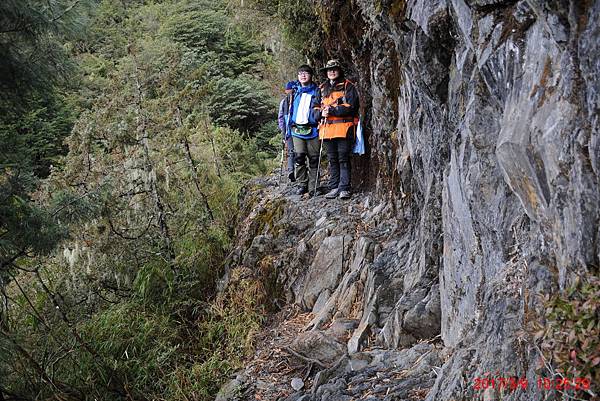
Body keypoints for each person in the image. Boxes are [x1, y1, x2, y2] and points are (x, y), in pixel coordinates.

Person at [318, 59, 359, 199]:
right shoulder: (322, 88)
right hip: (327, 131)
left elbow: (351, 106)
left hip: (343, 129)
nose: (332, 72)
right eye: (329, 70)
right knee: (332, 159)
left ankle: (344, 188)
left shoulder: (348, 86)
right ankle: (334, 186)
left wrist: (332, 111)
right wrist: (320, 113)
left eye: (334, 69)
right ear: (326, 72)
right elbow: (315, 107)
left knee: (343, 158)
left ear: (339, 70)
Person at [285, 64, 321, 195]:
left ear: (311, 75)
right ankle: (302, 183)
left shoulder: (317, 91)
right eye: (300, 73)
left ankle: (314, 186)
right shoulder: (295, 92)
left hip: (313, 129)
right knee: (299, 157)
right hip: (297, 130)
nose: (303, 75)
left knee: (314, 158)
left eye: (306, 73)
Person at [278, 95, 295, 182]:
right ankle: (291, 170)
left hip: (292, 129)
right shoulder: (284, 102)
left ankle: (292, 170)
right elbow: (281, 118)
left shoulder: (295, 99)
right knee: (291, 151)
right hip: (288, 130)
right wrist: (283, 129)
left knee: (292, 151)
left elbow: (280, 118)